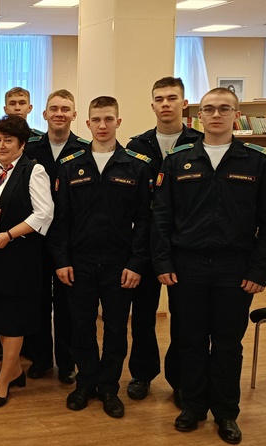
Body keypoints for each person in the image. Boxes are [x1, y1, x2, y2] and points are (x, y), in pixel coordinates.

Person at [152, 87, 266, 445]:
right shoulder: (178, 160)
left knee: (229, 344)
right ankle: (193, 406)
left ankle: (226, 413)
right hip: (187, 266)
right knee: (189, 341)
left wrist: (259, 270)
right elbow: (161, 217)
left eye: (224, 109)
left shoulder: (257, 161)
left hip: (236, 268)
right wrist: (163, 261)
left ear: (236, 115)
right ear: (198, 116)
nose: (216, 115)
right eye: (209, 109)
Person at [49, 96, 151, 419]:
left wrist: (136, 263)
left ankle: (109, 387)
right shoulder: (71, 165)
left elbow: (145, 222)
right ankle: (86, 383)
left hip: (119, 264)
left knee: (116, 329)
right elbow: (61, 220)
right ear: (87, 123)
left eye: (108, 119)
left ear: (118, 122)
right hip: (79, 262)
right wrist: (61, 260)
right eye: (96, 119)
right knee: (81, 327)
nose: (102, 125)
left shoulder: (137, 165)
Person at [0, 115, 54, 409]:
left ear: (22, 144)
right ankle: (15, 371)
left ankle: (4, 380)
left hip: (18, 257)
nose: (1, 145)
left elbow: (43, 214)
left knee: (13, 318)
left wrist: (9, 235)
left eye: (8, 140)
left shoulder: (34, 170)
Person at [125, 77, 202, 404]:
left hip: (184, 242)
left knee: (183, 316)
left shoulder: (200, 143)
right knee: (143, 315)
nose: (165, 104)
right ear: (152, 105)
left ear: (184, 104)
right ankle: (142, 374)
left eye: (172, 98)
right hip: (145, 240)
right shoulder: (137, 146)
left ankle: (181, 380)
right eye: (160, 99)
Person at [22, 89, 87, 383]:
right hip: (35, 238)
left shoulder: (85, 149)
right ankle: (40, 359)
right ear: (44, 114)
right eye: (54, 109)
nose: (59, 113)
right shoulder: (30, 148)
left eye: (65, 109)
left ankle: (67, 361)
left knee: (67, 304)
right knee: (36, 301)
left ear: (74, 115)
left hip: (71, 240)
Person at [0, 87, 43, 151]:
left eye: (22, 103)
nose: (17, 108)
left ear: (30, 108)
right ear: (5, 109)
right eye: (12, 104)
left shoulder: (40, 141)